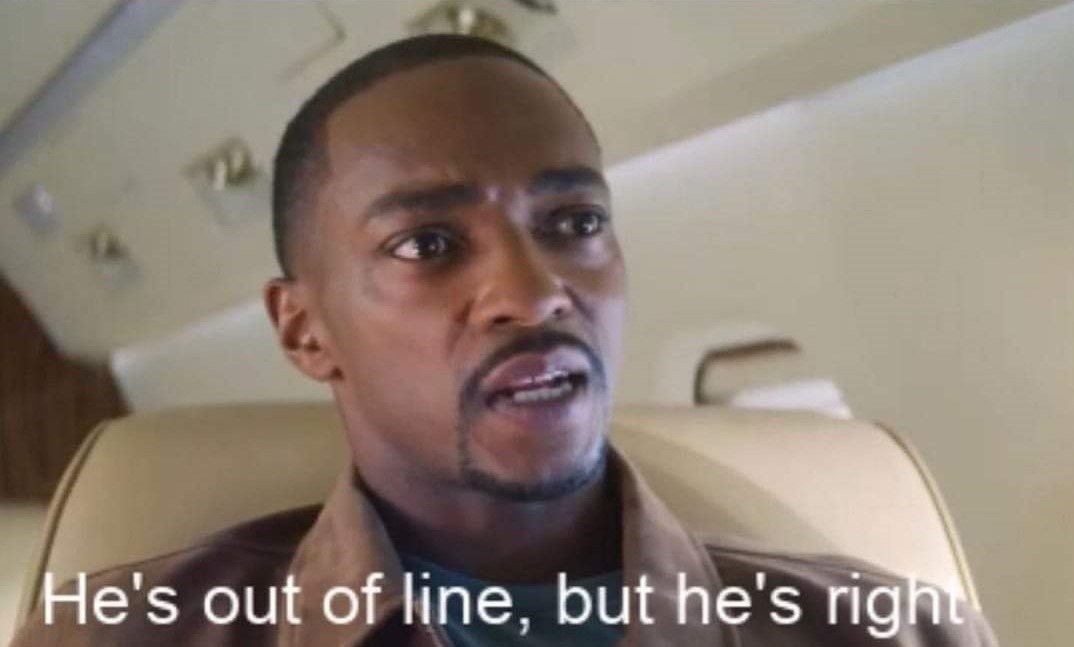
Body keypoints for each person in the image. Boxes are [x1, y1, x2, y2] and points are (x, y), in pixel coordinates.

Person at [12, 34, 996, 646]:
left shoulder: (894, 630)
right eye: (428, 244)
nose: (533, 293)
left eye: (574, 222)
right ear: (306, 331)